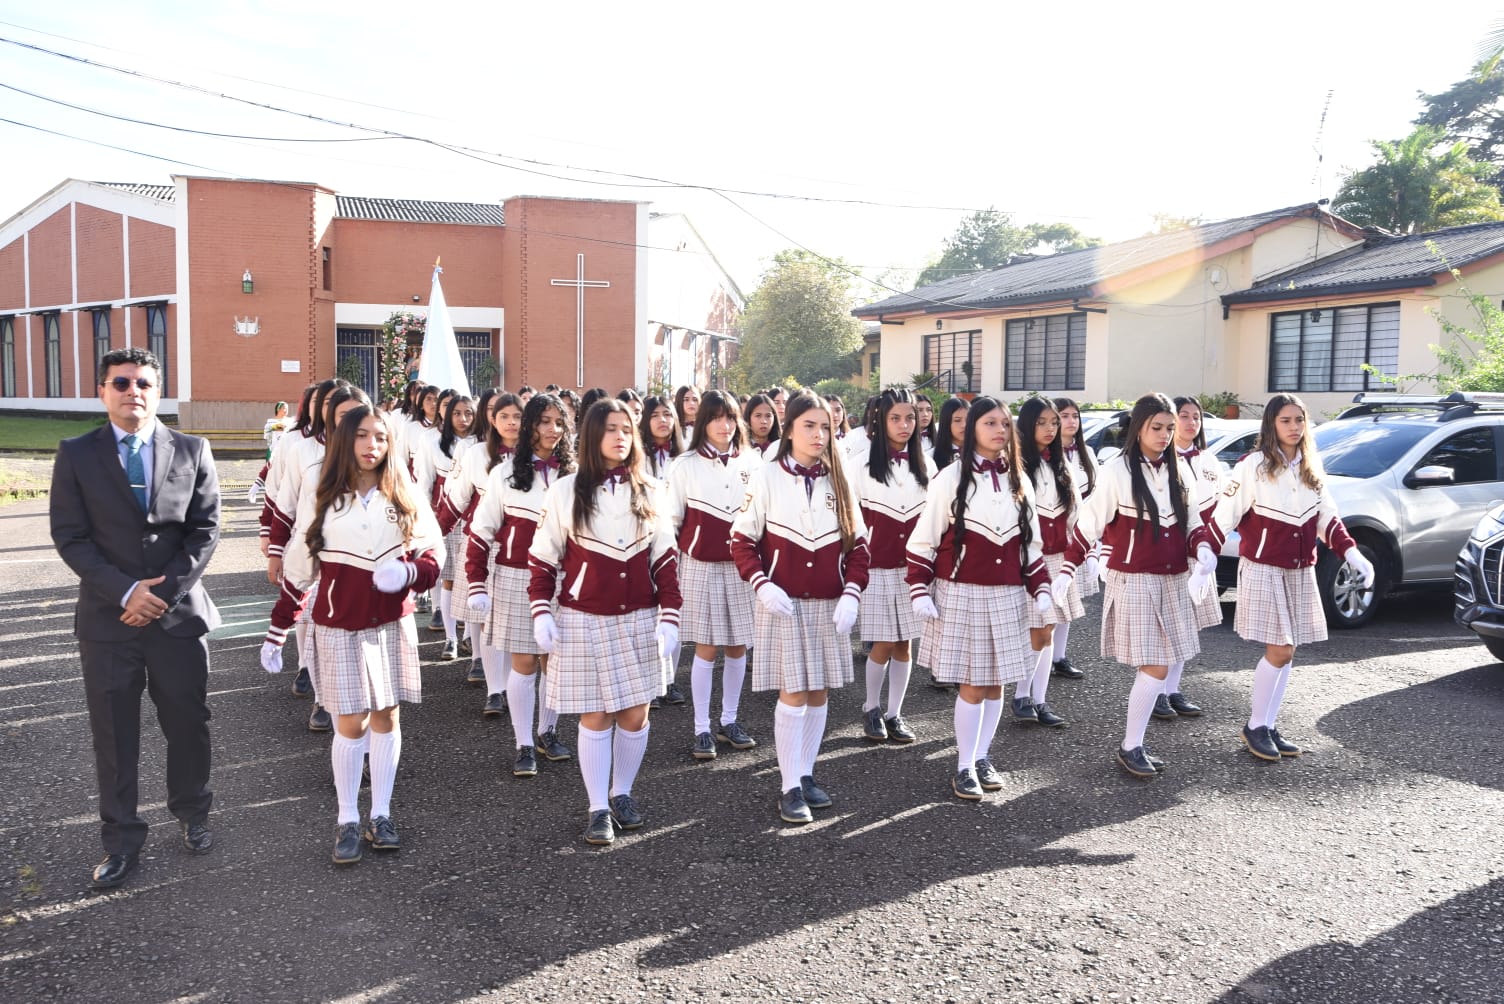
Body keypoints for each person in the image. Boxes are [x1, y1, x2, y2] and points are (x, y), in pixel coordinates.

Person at [50, 347, 222, 889]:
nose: (133, 392)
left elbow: (205, 530)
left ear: (157, 390)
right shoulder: (76, 454)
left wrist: (161, 594)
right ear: (102, 391)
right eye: (121, 382)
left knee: (188, 724)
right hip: (109, 621)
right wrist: (125, 592)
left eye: (143, 383)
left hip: (177, 618)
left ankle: (192, 812)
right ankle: (122, 841)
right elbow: (70, 536)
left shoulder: (192, 449)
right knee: (114, 735)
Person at [267, 404, 443, 864]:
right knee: (350, 721)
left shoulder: (403, 490)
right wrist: (279, 626)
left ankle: (381, 814)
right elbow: (301, 565)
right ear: (346, 439)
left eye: (381, 437)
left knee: (387, 715)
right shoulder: (322, 491)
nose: (372, 445)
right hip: (338, 622)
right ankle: (347, 817)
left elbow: (433, 550)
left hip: (390, 620)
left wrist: (410, 572)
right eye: (363, 435)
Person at [528, 398, 681, 845]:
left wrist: (670, 616)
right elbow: (543, 558)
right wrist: (541, 611)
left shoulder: (652, 489)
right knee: (596, 714)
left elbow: (665, 559)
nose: (620, 437)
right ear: (592, 435)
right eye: (611, 429)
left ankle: (622, 793)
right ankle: (597, 807)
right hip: (584, 615)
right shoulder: (565, 490)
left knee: (636, 714)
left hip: (640, 615)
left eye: (627, 429)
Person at [1058, 393, 1219, 779]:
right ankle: (1131, 746)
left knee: (1160, 666)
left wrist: (1203, 551)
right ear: (1139, 428)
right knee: (1156, 665)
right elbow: (1089, 524)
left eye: (1169, 428)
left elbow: (1194, 522)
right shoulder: (1117, 471)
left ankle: (1134, 745)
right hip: (1133, 578)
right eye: (1156, 427)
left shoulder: (1180, 470)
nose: (1165, 434)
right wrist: (1066, 570)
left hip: (1174, 578)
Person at [1209, 393, 1373, 762]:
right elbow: (1225, 513)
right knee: (1279, 650)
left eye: (1299, 420)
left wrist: (1351, 552)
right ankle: (1255, 725)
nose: (1294, 427)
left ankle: (1267, 724)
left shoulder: (1311, 465)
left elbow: (1327, 517)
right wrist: (1206, 553)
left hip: (1300, 569)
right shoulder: (1252, 465)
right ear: (1271, 424)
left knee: (1288, 652)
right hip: (1264, 566)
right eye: (1285, 420)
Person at [731, 391, 869, 826]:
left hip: (829, 602)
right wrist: (762, 584)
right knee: (793, 692)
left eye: (825, 426)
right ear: (788, 429)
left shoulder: (840, 479)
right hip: (784, 603)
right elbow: (741, 541)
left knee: (819, 691)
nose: (818, 434)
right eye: (809, 425)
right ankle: (789, 785)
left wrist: (853, 592)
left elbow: (859, 546)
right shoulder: (766, 476)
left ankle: (806, 772)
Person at [908, 396, 1050, 800]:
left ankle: (983, 755)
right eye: (990, 423)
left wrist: (1040, 587)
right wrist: (919, 588)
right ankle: (964, 765)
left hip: (1008, 592)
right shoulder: (950, 478)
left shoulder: (1020, 480)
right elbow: (924, 539)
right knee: (972, 684)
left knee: (996, 684)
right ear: (972, 428)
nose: (999, 430)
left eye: (1004, 423)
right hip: (962, 591)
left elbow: (1031, 545)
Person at [466, 392, 576, 775]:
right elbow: (481, 531)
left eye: (559, 422)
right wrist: (476, 582)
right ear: (529, 426)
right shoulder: (504, 473)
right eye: (544, 421)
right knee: (525, 662)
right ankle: (523, 743)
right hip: (515, 575)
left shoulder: (575, 476)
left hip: (562, 579)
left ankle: (548, 732)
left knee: (554, 661)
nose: (552, 429)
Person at [665, 390, 761, 760]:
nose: (724, 425)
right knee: (705, 649)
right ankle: (701, 727)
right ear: (703, 422)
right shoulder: (684, 464)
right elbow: (671, 521)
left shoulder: (752, 461)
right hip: (699, 565)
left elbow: (761, 518)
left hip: (742, 566)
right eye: (716, 418)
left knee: (738, 646)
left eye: (730, 417)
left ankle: (729, 720)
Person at [852, 388, 934, 744]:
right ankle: (871, 707)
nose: (904, 425)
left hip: (913, 570)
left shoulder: (927, 465)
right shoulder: (860, 466)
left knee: (905, 644)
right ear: (880, 421)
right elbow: (850, 522)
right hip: (876, 567)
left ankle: (894, 712)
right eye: (895, 418)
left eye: (910, 418)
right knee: (883, 642)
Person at [440, 390, 518, 703]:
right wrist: (433, 536)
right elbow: (457, 498)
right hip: (483, 542)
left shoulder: (535, 455)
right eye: (504, 416)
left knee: (512, 620)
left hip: (522, 547)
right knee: (486, 617)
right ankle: (495, 689)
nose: (511, 423)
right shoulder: (475, 453)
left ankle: (512, 686)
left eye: (517, 416)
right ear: (492, 419)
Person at [1012, 396, 1084, 729]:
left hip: (1057, 558)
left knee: (1048, 631)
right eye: (1041, 422)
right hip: (1028, 559)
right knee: (1036, 631)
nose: (1050, 429)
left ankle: (1038, 699)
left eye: (1054, 422)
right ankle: (1021, 695)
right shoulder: (1014, 465)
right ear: (1027, 425)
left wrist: (1083, 552)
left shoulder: (1062, 464)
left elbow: (1076, 513)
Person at [1153, 395, 1223, 721]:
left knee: (1189, 624)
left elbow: (1221, 506)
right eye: (1184, 415)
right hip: (1170, 552)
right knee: (1166, 624)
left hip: (1201, 551)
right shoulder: (1160, 461)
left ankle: (1172, 689)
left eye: (1196, 417)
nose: (1192, 422)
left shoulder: (1209, 460)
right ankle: (1155, 690)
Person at [415, 393, 478, 661]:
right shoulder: (432, 442)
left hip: (474, 518)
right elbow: (424, 482)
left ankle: (469, 637)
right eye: (457, 413)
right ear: (447, 415)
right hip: (446, 516)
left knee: (474, 579)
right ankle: (451, 638)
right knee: (450, 578)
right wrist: (427, 517)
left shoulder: (481, 443)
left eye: (468, 413)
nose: (463, 419)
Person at [1050, 396, 1100, 681]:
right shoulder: (1046, 455)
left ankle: (1059, 656)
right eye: (1064, 416)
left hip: (1080, 534)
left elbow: (1097, 495)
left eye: (1074, 416)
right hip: (1052, 534)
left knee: (1068, 601)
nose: (1071, 421)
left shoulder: (1087, 453)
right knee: (1047, 602)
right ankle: (1038, 655)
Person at [930, 396, 970, 472]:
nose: (964, 425)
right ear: (946, 422)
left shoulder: (982, 454)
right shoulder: (930, 457)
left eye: (968, 420)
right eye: (957, 420)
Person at [742, 392, 782, 457]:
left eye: (768, 416)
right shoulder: (740, 449)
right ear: (748, 418)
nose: (764, 421)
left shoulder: (782, 447)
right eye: (758, 416)